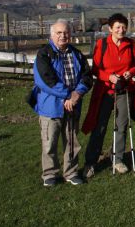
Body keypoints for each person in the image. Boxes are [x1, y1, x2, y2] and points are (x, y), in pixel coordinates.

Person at [31, 19, 92, 186]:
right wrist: (67, 95)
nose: (63, 36)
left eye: (66, 32)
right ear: (52, 35)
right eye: (59, 33)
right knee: (49, 142)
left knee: (71, 141)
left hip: (73, 105)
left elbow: (87, 76)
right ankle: (50, 174)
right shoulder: (44, 54)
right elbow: (45, 80)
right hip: (51, 106)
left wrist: (77, 94)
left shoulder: (77, 54)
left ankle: (71, 172)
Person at [82, 13, 135, 178]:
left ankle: (118, 159)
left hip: (124, 90)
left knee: (121, 126)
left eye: (123, 27)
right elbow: (96, 69)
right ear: (110, 29)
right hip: (105, 91)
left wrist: (130, 73)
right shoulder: (102, 44)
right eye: (117, 27)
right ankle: (91, 162)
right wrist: (110, 77)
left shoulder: (131, 44)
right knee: (100, 126)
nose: (121, 30)